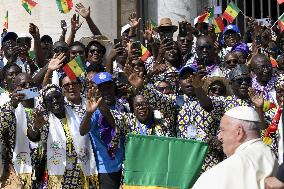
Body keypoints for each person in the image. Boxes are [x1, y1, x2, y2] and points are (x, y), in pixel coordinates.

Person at [125, 64, 223, 171]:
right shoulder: (176, 101)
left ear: (201, 80)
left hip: (210, 162)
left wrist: (198, 87)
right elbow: (158, 99)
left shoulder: (216, 101)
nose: (189, 80)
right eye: (184, 78)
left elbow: (207, 105)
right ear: (179, 83)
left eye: (192, 77)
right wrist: (141, 87)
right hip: (184, 165)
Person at [28, 84, 98, 188]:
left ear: (63, 97)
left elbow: (86, 130)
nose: (55, 101)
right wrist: (36, 127)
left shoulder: (78, 112)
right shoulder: (44, 120)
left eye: (57, 97)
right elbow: (33, 137)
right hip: (59, 174)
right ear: (45, 104)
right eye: (50, 99)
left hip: (80, 170)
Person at [192, 106, 279, 189]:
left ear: (239, 132)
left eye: (223, 130)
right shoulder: (269, 154)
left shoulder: (229, 167)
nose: (219, 136)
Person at [80, 72, 127, 189]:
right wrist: (89, 113)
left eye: (108, 86)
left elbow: (121, 129)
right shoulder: (93, 109)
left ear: (113, 86)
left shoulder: (123, 106)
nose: (106, 91)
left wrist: (104, 109)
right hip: (105, 167)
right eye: (102, 88)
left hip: (125, 164)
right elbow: (82, 131)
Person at [0, 73, 39, 188]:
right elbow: (1, 127)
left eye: (31, 84)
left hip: (42, 168)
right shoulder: (9, 108)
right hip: (19, 168)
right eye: (23, 85)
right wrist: (12, 104)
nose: (28, 87)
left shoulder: (42, 104)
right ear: (15, 88)